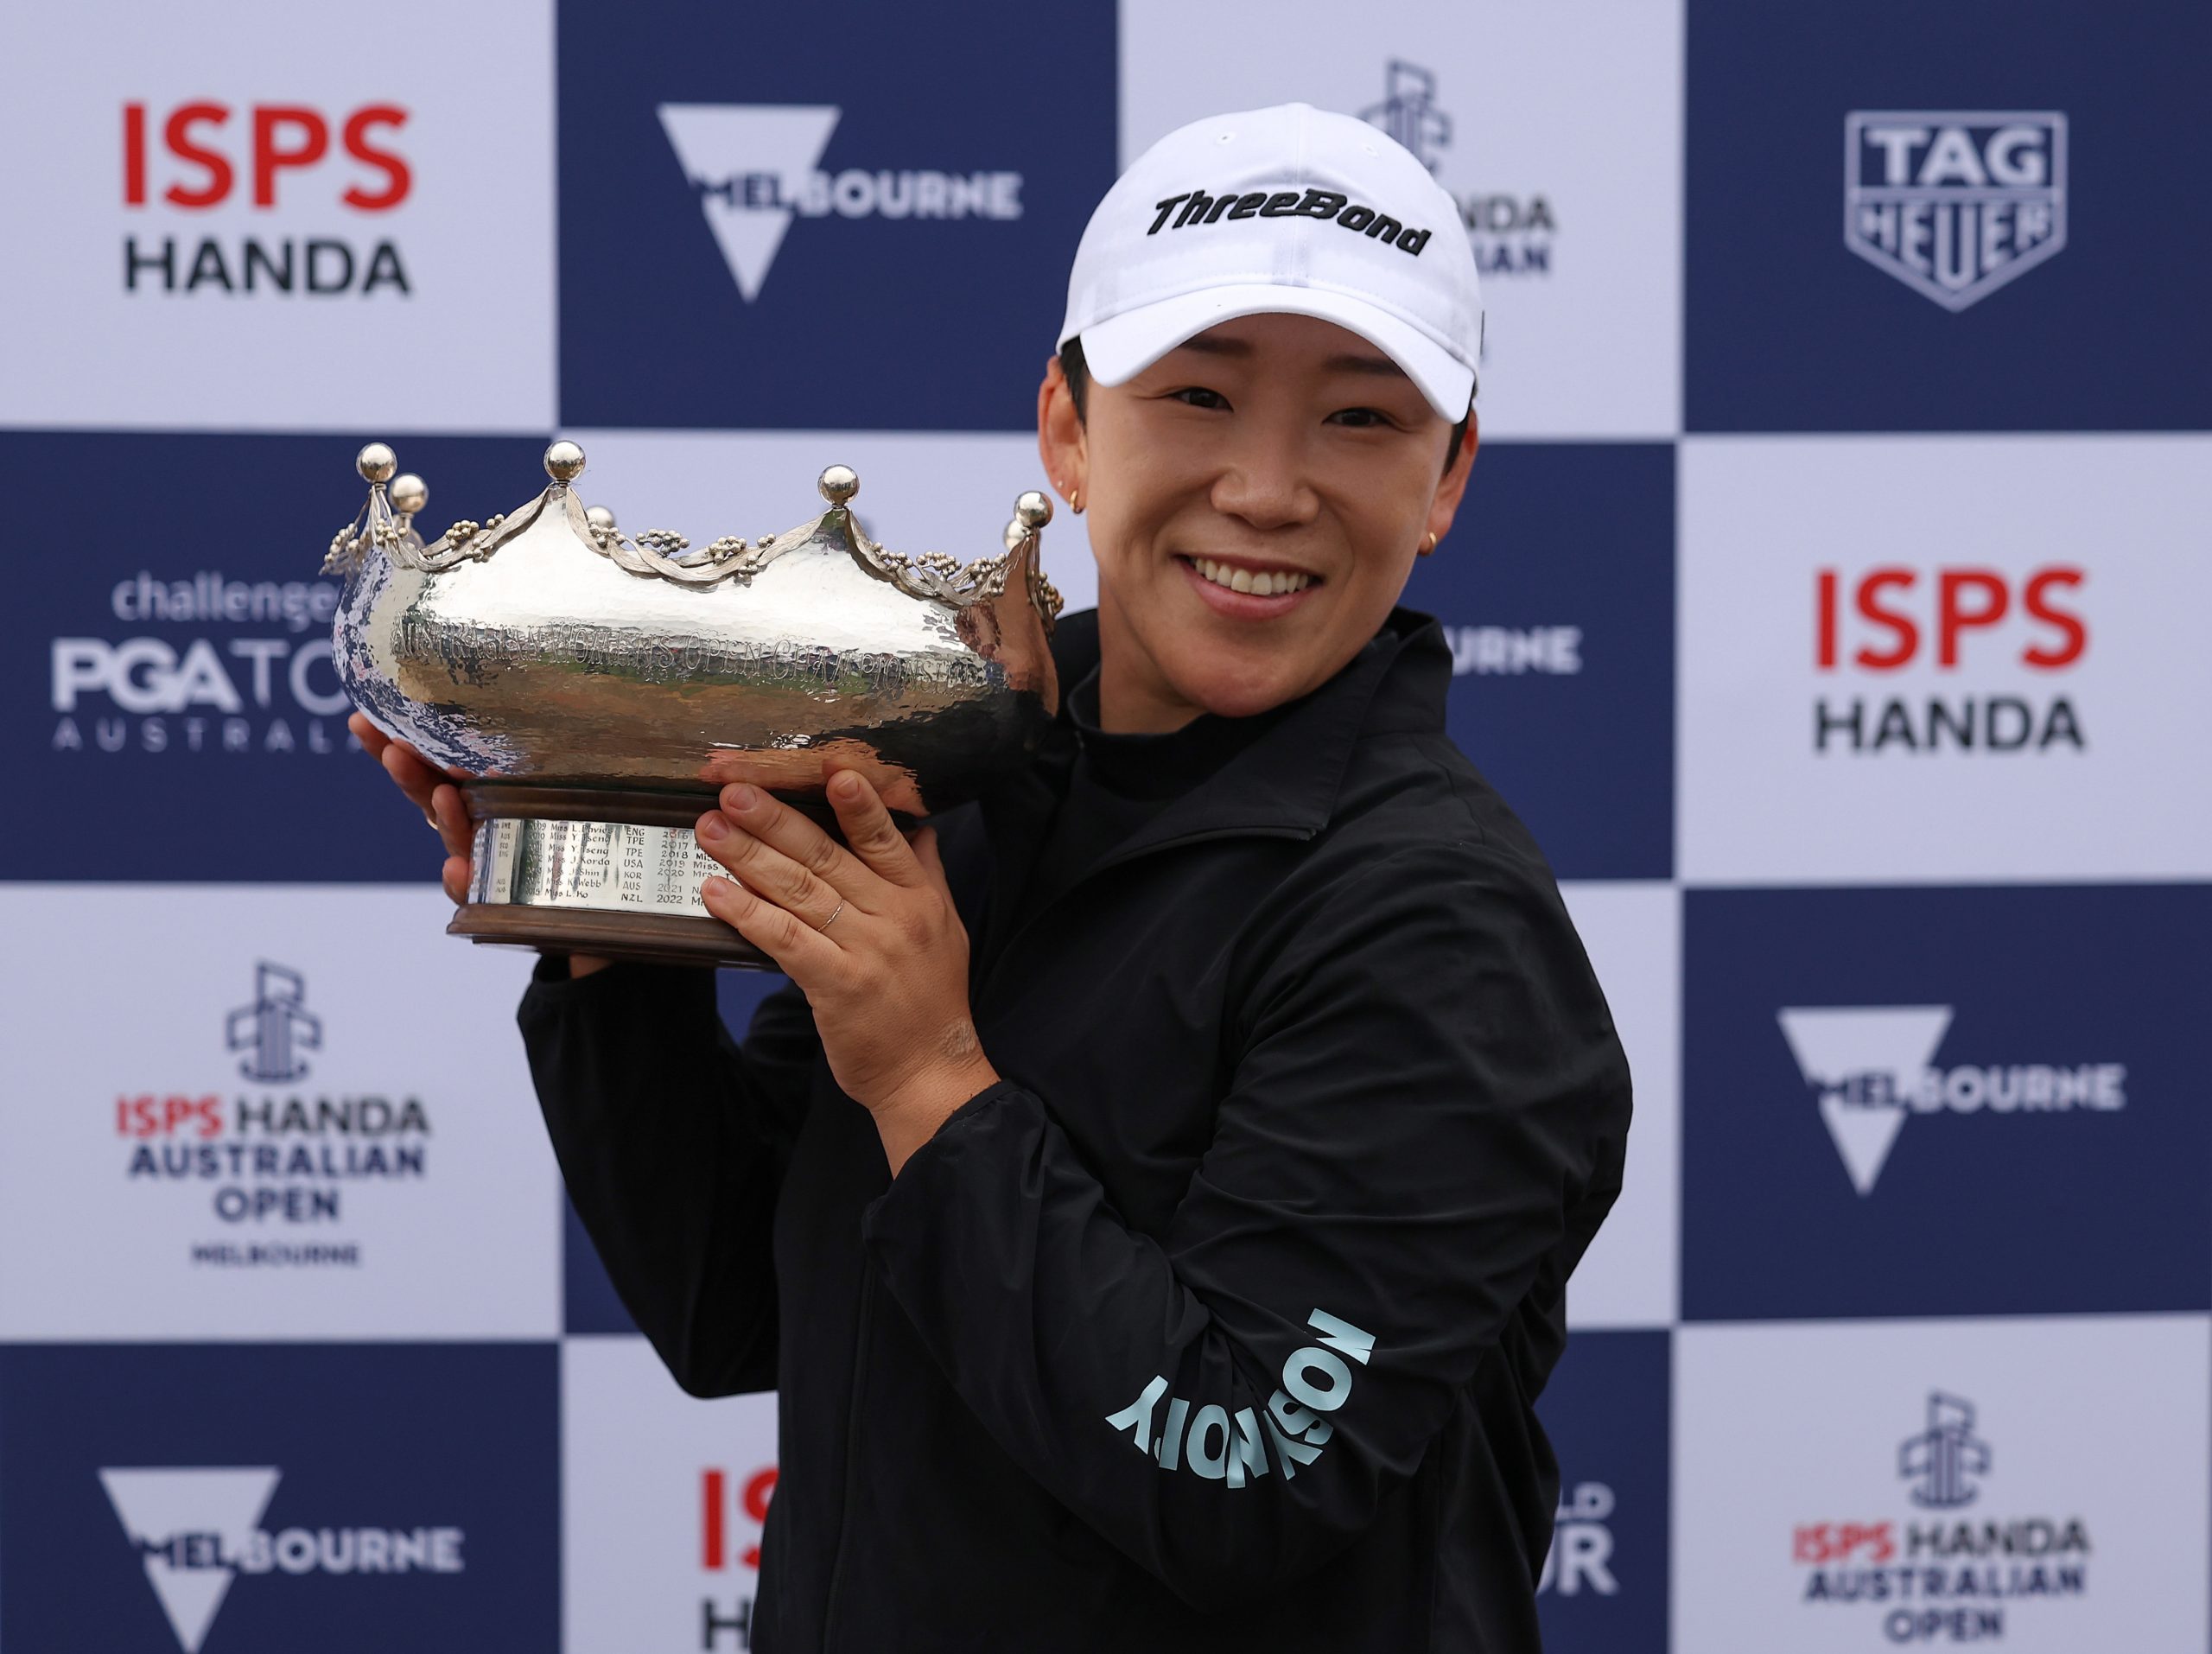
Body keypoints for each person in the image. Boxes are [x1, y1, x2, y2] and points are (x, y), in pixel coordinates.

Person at [357, 103, 1630, 1653]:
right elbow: (733, 1300)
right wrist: (597, 917)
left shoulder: (1443, 929)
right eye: (1201, 396)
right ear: (1069, 432)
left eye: (1360, 420)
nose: (1270, 487)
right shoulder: (951, 760)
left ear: (1448, 478)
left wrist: (930, 1075)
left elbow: (1239, 1477)